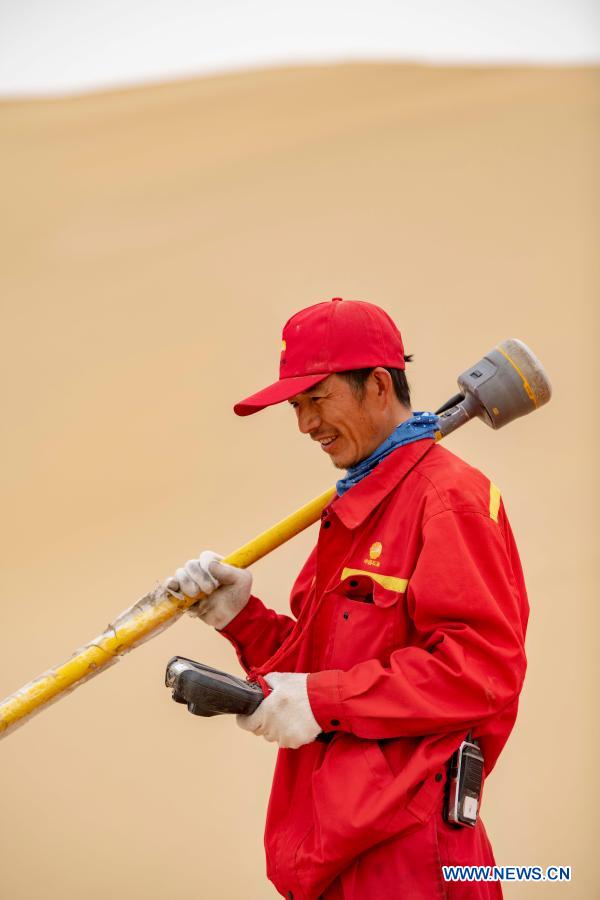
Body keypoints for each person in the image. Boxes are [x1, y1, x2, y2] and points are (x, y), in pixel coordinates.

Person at [171, 298, 529, 899]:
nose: (304, 424)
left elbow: (482, 671)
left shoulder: (450, 500)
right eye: (296, 406)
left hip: (414, 859)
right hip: (327, 857)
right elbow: (314, 672)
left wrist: (320, 698)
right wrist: (239, 619)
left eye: (317, 400)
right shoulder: (354, 511)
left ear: (378, 385)